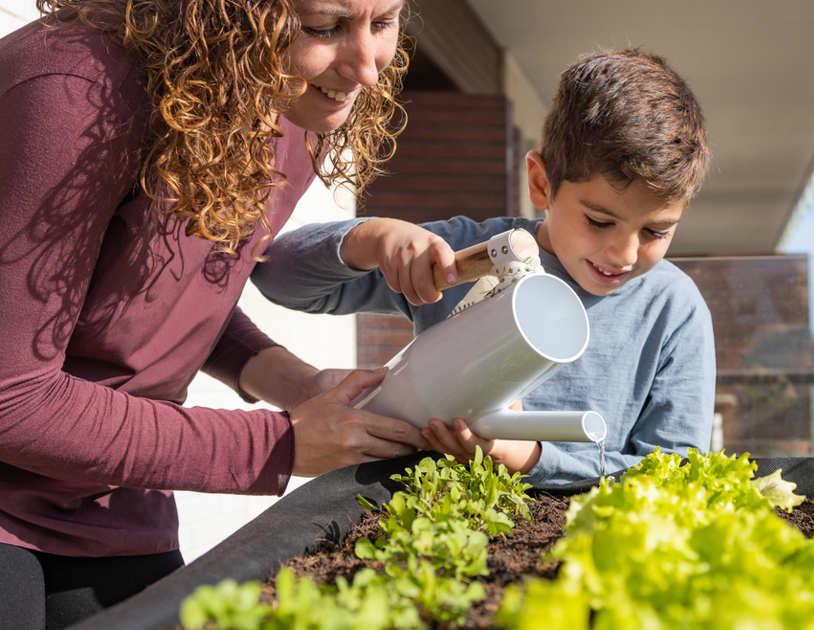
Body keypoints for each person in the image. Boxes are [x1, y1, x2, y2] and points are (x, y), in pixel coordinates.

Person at [0, 1, 430, 627]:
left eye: (383, 21)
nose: (366, 68)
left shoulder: (282, 98)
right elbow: (11, 396)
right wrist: (280, 446)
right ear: (230, 13)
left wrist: (296, 383)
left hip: (108, 502)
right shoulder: (75, 94)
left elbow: (155, 286)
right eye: (324, 28)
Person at [251, 49, 717, 486]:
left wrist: (532, 458)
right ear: (540, 183)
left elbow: (677, 475)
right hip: (436, 527)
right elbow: (275, 277)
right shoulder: (472, 254)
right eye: (599, 221)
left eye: (656, 232)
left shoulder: (673, 310)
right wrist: (370, 240)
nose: (625, 254)